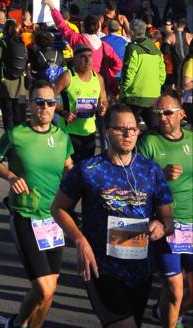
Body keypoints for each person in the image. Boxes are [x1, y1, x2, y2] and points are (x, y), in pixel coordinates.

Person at [51, 102, 175, 328]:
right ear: (106, 132)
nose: (128, 134)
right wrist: (80, 241)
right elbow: (58, 208)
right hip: (102, 268)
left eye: (133, 129)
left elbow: (168, 220)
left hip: (141, 270)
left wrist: (160, 225)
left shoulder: (150, 170)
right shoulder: (88, 170)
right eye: (121, 129)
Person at [0, 79, 73, 328]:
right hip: (26, 216)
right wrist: (11, 176)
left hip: (53, 220)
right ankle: (17, 323)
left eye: (50, 103)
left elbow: (69, 167)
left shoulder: (61, 136)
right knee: (43, 287)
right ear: (29, 104)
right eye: (40, 102)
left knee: (50, 291)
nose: (45, 107)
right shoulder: (16, 135)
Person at [138, 91, 193, 328]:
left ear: (182, 114)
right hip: (165, 223)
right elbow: (133, 180)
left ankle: (163, 312)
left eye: (168, 113)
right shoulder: (148, 141)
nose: (162, 118)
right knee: (175, 288)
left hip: (191, 223)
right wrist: (160, 174)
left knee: (186, 292)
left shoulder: (191, 140)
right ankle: (170, 319)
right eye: (158, 113)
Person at [54, 45, 107, 163]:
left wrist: (103, 107)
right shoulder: (67, 76)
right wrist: (63, 113)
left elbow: (103, 100)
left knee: (86, 169)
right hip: (69, 132)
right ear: (75, 59)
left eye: (90, 56)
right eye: (83, 57)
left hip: (89, 132)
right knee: (70, 169)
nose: (87, 60)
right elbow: (48, 98)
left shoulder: (98, 78)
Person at [120, 18, 166, 126]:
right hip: (153, 96)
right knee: (154, 130)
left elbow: (129, 72)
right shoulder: (156, 51)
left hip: (134, 97)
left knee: (130, 128)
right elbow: (162, 74)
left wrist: (123, 90)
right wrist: (156, 86)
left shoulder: (132, 48)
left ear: (131, 32)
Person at [0, 18, 29, 131]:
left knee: (8, 116)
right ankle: (20, 142)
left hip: (5, 86)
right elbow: (26, 61)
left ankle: (9, 142)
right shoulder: (22, 43)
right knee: (21, 115)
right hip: (22, 87)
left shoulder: (1, 43)